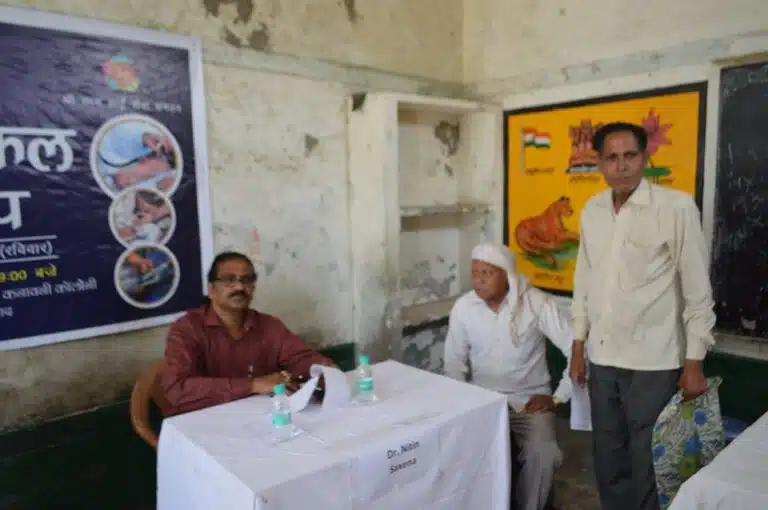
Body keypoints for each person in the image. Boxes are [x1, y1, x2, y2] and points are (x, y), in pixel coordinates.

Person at [569, 122, 716, 510]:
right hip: (602, 358)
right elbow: (584, 280)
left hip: (654, 361)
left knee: (650, 461)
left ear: (645, 158)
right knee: (608, 458)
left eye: (630, 156)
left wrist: (694, 362)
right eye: (611, 158)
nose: (621, 166)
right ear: (600, 162)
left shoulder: (676, 208)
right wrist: (578, 344)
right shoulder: (593, 211)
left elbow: (698, 291)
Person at [443, 243, 573, 510]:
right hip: (484, 403)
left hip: (529, 404)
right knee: (459, 451)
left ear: (506, 275)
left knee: (544, 454)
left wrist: (557, 397)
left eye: (487, 273)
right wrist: (462, 409)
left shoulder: (536, 303)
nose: (478, 281)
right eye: (475, 273)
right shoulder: (464, 308)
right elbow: (453, 366)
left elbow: (577, 349)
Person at [161, 251, 334, 416]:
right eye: (229, 279)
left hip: (259, 418)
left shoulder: (269, 325)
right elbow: (177, 389)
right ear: (212, 289)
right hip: (203, 423)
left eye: (247, 280)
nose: (239, 286)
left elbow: (302, 358)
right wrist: (253, 385)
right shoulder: (187, 328)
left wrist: (326, 371)